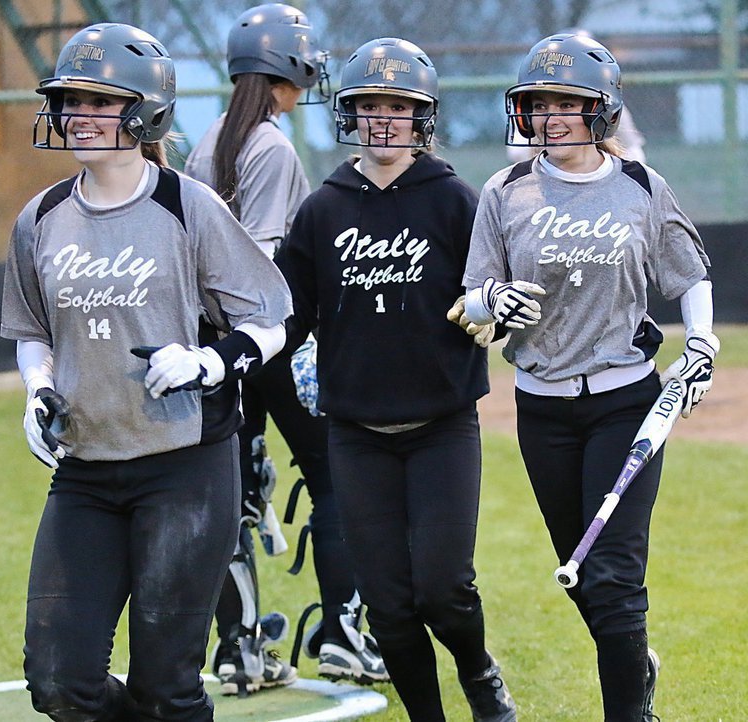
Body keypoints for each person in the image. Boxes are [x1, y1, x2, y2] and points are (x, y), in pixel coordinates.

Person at [1, 22, 292, 721]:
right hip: (85, 471)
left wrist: (208, 361)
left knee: (168, 689)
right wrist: (38, 391)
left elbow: (271, 320)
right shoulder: (40, 218)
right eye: (71, 99)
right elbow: (32, 332)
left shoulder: (188, 206)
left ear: (146, 111)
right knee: (58, 683)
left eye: (101, 101)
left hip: (186, 471)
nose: (80, 115)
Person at [460, 32, 718, 722]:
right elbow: (474, 295)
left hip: (626, 400)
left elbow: (688, 271)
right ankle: (636, 663)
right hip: (541, 408)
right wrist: (492, 303)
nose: (550, 117)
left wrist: (701, 340)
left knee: (612, 576)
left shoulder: (640, 185)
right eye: (540, 104)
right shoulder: (504, 190)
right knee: (578, 571)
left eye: (566, 103)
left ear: (601, 108)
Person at [275, 36, 517, 722]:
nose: (384, 121)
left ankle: (480, 675)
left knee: (444, 589)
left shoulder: (455, 202)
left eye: (399, 107)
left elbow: (492, 298)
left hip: (442, 426)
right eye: (370, 106)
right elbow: (287, 313)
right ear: (350, 113)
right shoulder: (323, 208)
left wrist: (493, 314)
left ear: (422, 116)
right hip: (357, 433)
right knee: (387, 604)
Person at [184, 3, 388, 696]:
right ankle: (345, 636)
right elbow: (264, 258)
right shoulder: (270, 145)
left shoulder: (209, 140)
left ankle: (239, 649)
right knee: (336, 481)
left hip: (218, 347)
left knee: (235, 497)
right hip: (273, 341)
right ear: (290, 65)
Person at [506, 29, 646, 164]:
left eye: (567, 105)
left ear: (598, 108)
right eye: (540, 106)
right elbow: (516, 153)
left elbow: (635, 154)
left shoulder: (639, 178)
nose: (551, 121)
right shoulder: (510, 180)